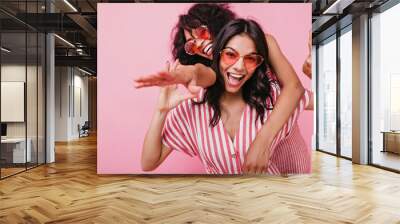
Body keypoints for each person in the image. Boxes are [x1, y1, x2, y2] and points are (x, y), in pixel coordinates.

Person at [135, 3, 308, 174]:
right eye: (191, 45)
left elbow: (295, 88)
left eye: (202, 33)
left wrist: (262, 141)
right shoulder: (196, 103)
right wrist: (162, 108)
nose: (200, 45)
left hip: (293, 170)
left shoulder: (260, 46)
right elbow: (206, 74)